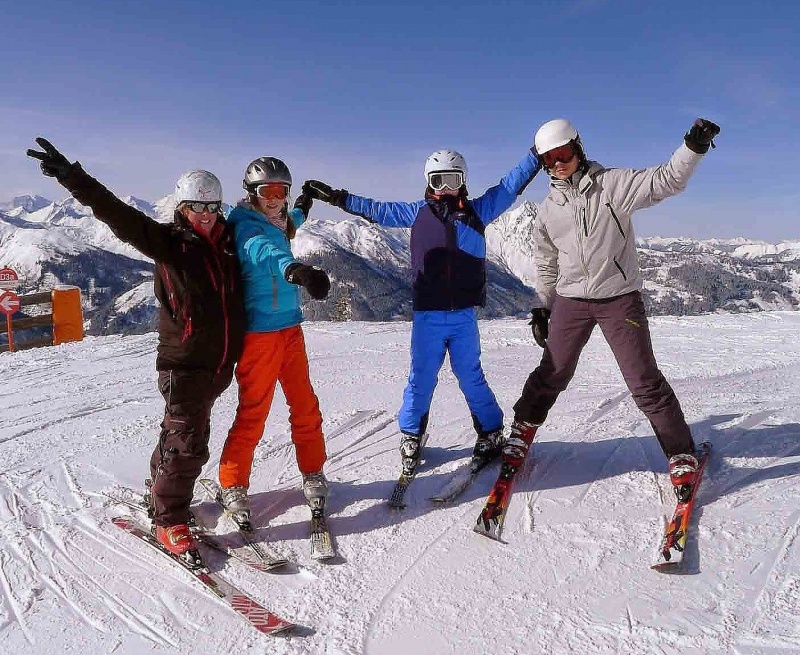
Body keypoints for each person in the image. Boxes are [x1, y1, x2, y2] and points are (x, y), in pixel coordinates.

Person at [26, 138, 246, 565]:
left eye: (212, 207)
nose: (204, 215)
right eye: (195, 208)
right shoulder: (168, 243)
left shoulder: (229, 244)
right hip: (183, 363)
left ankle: (160, 489)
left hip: (219, 364)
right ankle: (169, 518)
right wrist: (73, 176)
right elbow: (114, 212)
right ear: (181, 208)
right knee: (189, 442)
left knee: (180, 432)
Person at [505, 117, 721, 501]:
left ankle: (680, 453)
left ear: (578, 147)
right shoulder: (548, 209)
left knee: (643, 381)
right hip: (571, 301)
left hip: (619, 298)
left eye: (563, 154)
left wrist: (693, 147)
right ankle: (521, 433)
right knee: (551, 373)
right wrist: (543, 307)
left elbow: (666, 180)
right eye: (547, 160)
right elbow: (546, 262)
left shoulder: (613, 185)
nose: (557, 164)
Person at [302, 148, 540, 479]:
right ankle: (412, 436)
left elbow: (509, 186)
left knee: (471, 375)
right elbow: (375, 210)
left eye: (452, 180)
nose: (445, 187)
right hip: (428, 316)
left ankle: (490, 432)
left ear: (463, 182)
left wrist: (537, 155)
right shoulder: (416, 213)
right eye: (437, 180)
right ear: (428, 183)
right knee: (421, 378)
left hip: (463, 317)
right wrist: (337, 197)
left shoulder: (478, 211)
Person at [217, 156, 331, 529]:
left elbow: (291, 222)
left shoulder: (278, 218)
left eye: (282, 191)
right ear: (252, 193)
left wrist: (305, 203)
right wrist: (298, 271)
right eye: (268, 191)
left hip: (290, 329)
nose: (275, 199)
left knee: (305, 404)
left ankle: (313, 470)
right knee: (254, 411)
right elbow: (268, 254)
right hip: (260, 335)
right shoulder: (248, 227)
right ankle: (233, 483)